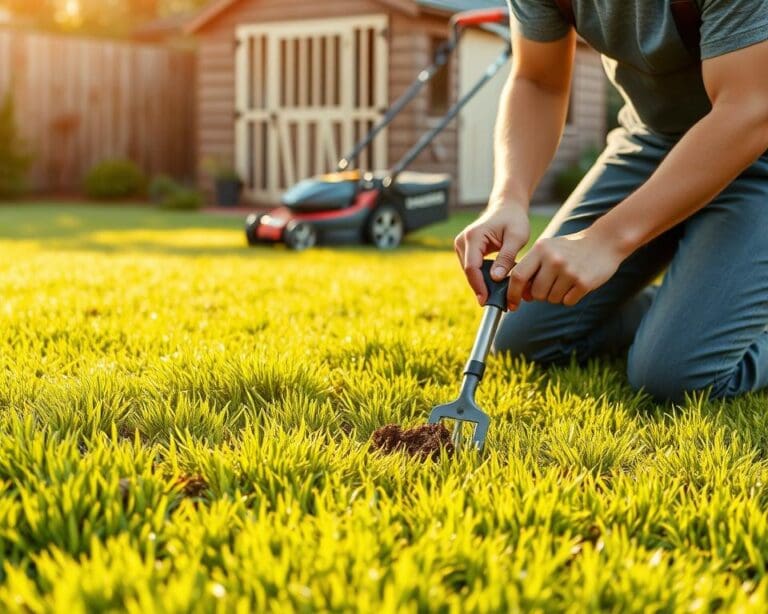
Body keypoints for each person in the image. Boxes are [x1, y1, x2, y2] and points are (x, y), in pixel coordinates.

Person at [455, 0, 768, 402]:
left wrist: (605, 239)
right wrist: (509, 198)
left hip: (757, 147)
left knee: (675, 378)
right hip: (651, 142)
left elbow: (748, 110)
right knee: (525, 336)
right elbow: (537, 81)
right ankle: (692, 305)